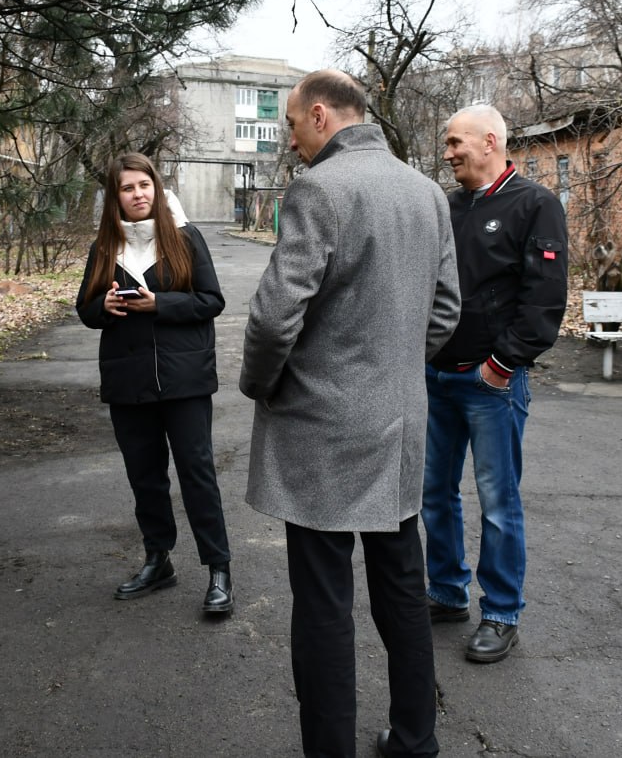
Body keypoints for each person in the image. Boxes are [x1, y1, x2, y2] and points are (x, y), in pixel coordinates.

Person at [241, 70, 460, 758]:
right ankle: (416, 738)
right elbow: (448, 309)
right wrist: (391, 369)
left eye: (294, 130)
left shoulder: (319, 189)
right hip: (397, 428)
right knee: (402, 587)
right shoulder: (427, 192)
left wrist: (262, 385)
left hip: (323, 434)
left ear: (320, 115)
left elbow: (276, 318)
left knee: (325, 602)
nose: (294, 144)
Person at [422, 103, 569, 664]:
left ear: (489, 142)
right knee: (435, 494)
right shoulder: (448, 206)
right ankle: (446, 591)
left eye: (455, 142)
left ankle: (502, 613)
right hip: (437, 377)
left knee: (498, 502)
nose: (448, 152)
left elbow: (544, 300)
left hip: (492, 385)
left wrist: (502, 365)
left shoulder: (535, 204)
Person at [75, 152, 234, 615]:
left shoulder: (184, 238)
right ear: (116, 197)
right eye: (127, 188)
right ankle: (158, 559)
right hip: (129, 382)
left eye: (144, 185)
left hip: (184, 382)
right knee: (145, 477)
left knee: (197, 474)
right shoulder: (106, 248)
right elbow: (85, 312)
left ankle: (219, 568)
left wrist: (158, 304)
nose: (137, 194)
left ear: (156, 188)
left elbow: (211, 301)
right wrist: (105, 304)